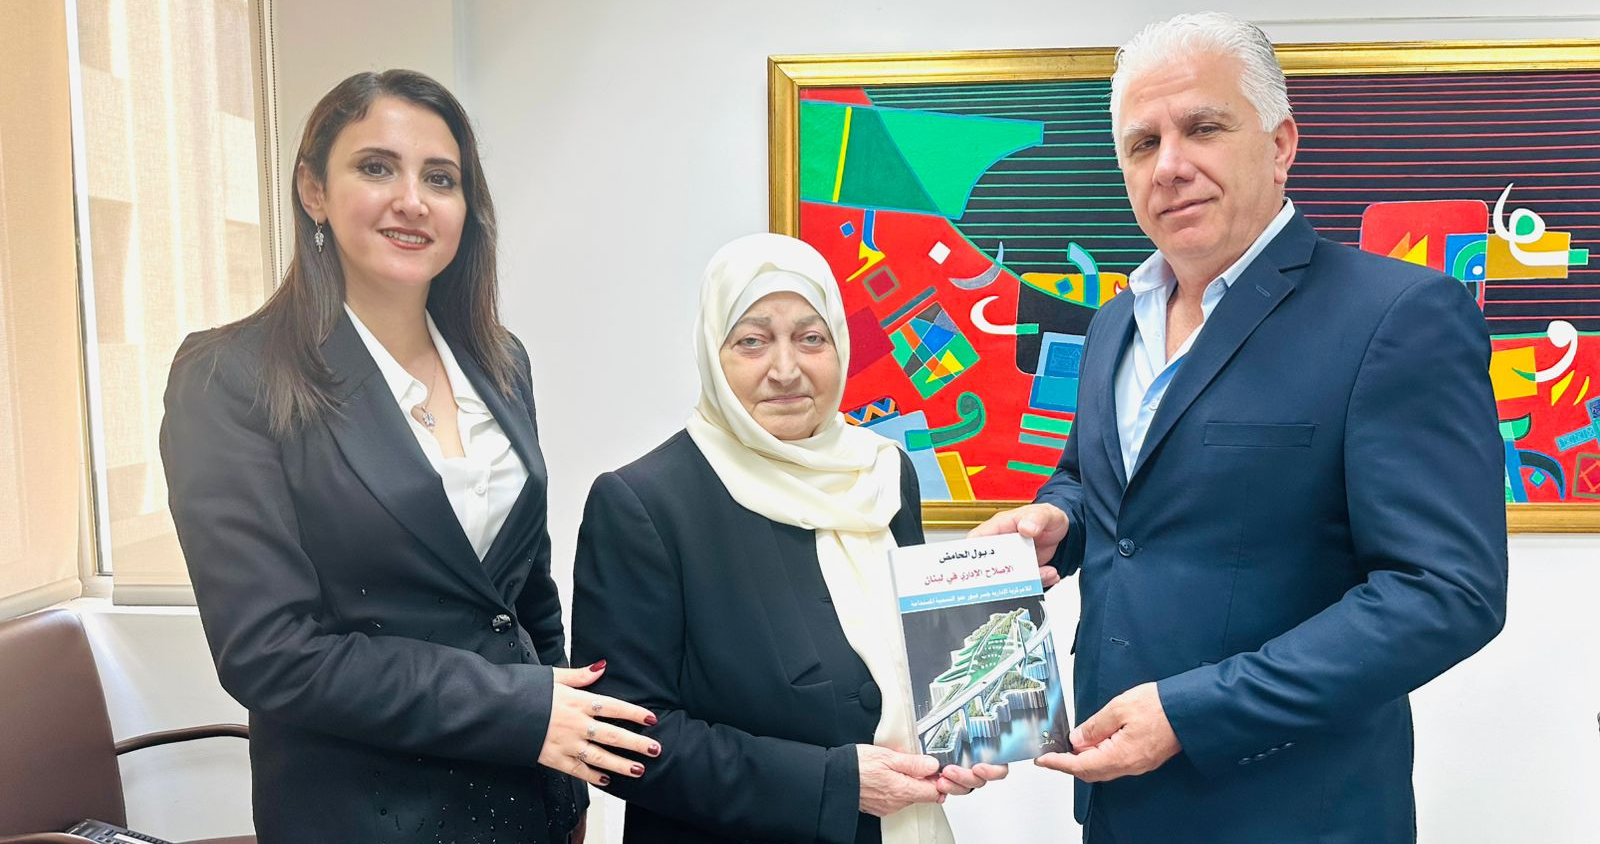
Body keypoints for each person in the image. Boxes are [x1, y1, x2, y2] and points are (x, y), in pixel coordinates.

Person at [971, 13, 1509, 844]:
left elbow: (1446, 593)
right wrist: (1060, 520)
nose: (1170, 166)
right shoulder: (1114, 323)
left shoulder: (1397, 315)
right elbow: (1105, 485)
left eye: (1203, 128)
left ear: (1280, 144)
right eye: (1142, 144)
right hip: (1117, 803)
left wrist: (1193, 713)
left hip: (1294, 815)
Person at [161, 69, 656, 844]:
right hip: (368, 811)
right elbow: (270, 653)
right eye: (376, 167)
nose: (413, 200)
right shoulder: (234, 376)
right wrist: (522, 712)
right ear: (314, 191)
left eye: (441, 178)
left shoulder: (500, 363)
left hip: (526, 795)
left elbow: (523, 591)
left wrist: (567, 769)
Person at [570, 233, 1006, 843]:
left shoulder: (883, 474)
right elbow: (621, 738)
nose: (785, 369)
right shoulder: (645, 503)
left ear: (840, 345)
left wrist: (968, 730)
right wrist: (834, 784)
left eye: (811, 338)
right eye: (752, 341)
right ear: (712, 352)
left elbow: (916, 659)